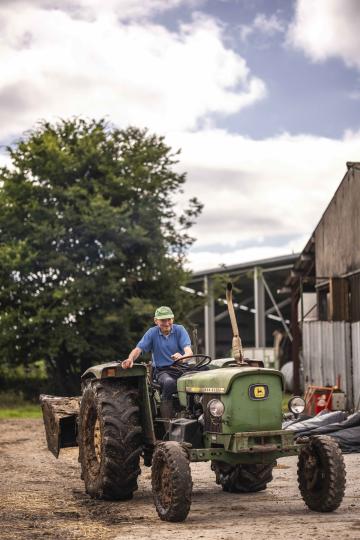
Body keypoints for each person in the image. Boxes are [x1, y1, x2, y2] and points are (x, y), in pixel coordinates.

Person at [122, 306, 193, 402]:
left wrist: (182, 358)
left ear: (173, 319)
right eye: (163, 320)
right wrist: (130, 359)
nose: (167, 323)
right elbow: (138, 349)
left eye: (169, 319)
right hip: (163, 371)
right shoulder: (152, 333)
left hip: (183, 368)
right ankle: (167, 411)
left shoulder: (180, 330)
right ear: (156, 321)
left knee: (205, 373)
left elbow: (189, 352)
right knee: (169, 382)